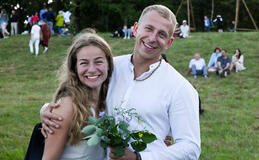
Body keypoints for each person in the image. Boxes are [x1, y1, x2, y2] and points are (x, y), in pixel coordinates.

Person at [40, 5, 201, 160]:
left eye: (162, 34)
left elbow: (190, 147)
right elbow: (78, 94)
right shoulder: (108, 68)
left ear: (169, 42)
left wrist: (140, 157)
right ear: (135, 28)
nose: (152, 38)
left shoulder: (180, 87)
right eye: (149, 29)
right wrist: (48, 109)